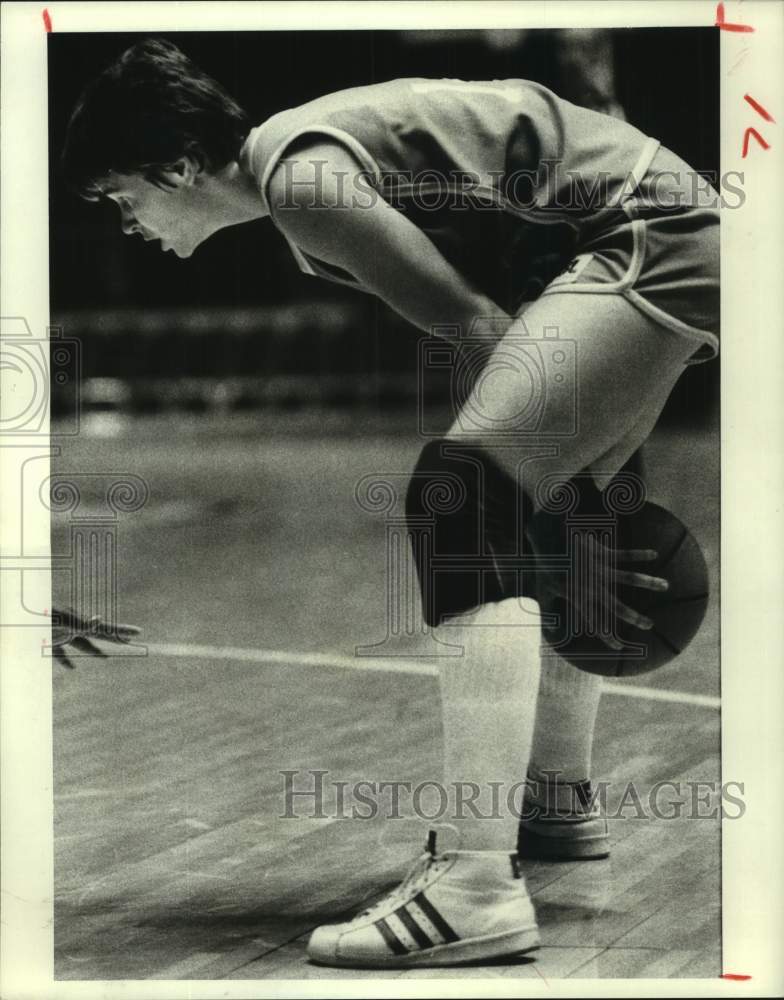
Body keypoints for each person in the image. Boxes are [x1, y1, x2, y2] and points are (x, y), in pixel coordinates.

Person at [59, 39, 719, 968]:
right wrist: (571, 509)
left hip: (650, 233)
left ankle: (476, 885)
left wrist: (547, 511)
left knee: (463, 500)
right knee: (522, 499)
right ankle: (554, 807)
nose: (126, 223)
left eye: (121, 198)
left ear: (175, 165)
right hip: (662, 227)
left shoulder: (302, 180)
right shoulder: (310, 176)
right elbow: (512, 308)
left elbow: (482, 330)